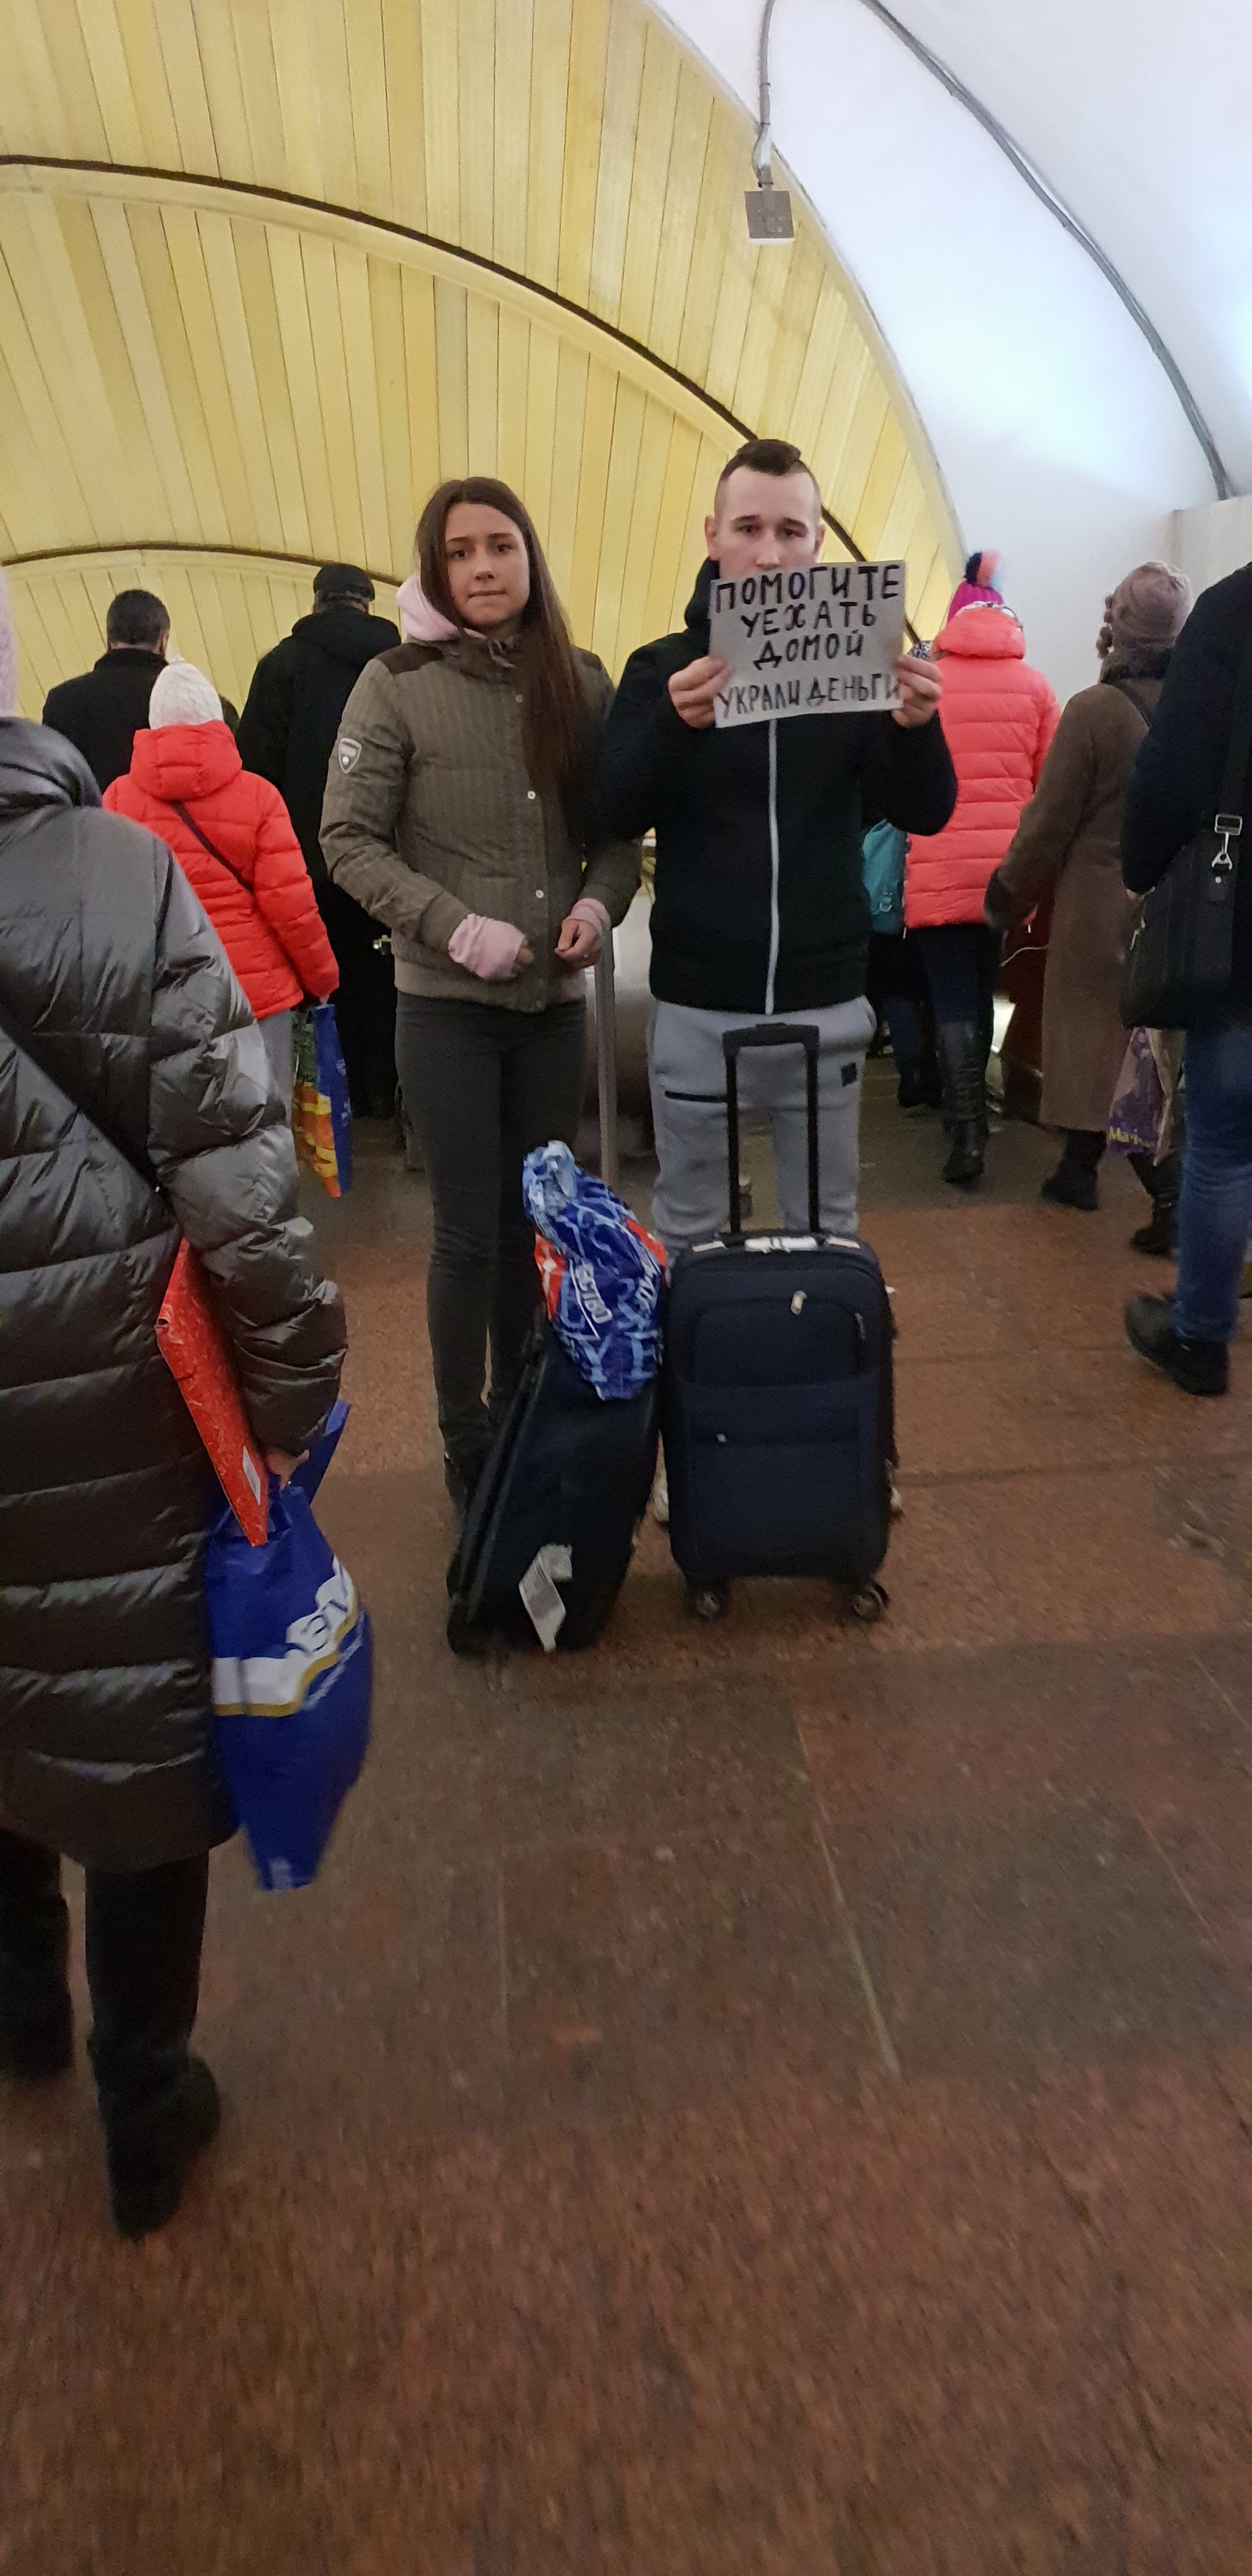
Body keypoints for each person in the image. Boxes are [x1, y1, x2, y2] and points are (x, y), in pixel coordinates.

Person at [0, 571, 346, 2239]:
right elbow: (240, 1178)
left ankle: (17, 2012)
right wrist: (294, 1390)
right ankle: (147, 2103)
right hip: (103, 1381)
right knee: (125, 1726)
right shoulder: (112, 871)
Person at [320, 477, 639, 1510]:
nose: (485, 567)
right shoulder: (393, 684)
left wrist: (596, 908)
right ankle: (466, 1434)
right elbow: (346, 838)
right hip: (444, 1010)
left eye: (502, 545)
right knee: (469, 1229)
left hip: (551, 1013)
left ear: (530, 558)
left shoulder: (580, 682)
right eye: (461, 552)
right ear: (437, 571)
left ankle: (524, 1403)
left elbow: (613, 843)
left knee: (534, 1222)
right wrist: (453, 923)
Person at [590, 437, 955, 1259]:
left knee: (825, 1233)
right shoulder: (663, 668)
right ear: (711, 533)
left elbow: (925, 811)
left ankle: (816, 1382)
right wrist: (669, 730)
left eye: (790, 531)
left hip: (825, 995)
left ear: (818, 542)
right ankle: (698, 1382)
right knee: (689, 1231)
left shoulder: (859, 664)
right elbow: (613, 806)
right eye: (748, 527)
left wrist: (919, 731)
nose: (768, 551)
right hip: (694, 1000)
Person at [985, 563, 1191, 1214]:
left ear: (1117, 628)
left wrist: (1008, 890)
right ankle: (1100, 1167)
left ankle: (1140, 1183)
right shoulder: (1198, 709)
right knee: (1151, 1041)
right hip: (1175, 903)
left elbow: (1048, 822)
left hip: (1097, 906)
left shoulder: (1093, 711)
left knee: (1089, 1035)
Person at [1122, 557, 1252, 1397]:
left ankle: (1199, 1337)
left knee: (1223, 1141)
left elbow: (1171, 764)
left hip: (1241, 925)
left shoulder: (1233, 610)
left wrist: (1141, 866)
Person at [104, 659, 339, 1108]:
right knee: (264, 1132)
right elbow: (291, 905)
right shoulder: (259, 796)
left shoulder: (117, 799)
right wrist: (322, 976)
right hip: (257, 999)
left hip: (165, 999)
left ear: (153, 723)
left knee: (180, 1138)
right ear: (215, 720)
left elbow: (110, 909)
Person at [905, 600, 1060, 1184]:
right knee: (981, 987)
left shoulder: (930, 681)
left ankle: (965, 1131)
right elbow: (1051, 783)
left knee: (950, 997)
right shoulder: (1037, 688)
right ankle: (974, 1119)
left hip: (940, 858)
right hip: (1005, 870)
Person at [237, 564, 401, 1118]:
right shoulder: (398, 667)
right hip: (389, 860)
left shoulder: (280, 667)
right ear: (367, 605)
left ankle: (332, 1100)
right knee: (386, 975)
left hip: (308, 862)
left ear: (317, 603)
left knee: (322, 978)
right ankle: (390, 1090)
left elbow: (255, 773)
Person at [41, 587, 171, 791]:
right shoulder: (187, 702)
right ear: (163, 642)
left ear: (109, 641)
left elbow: (52, 791)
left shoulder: (62, 701)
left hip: (87, 822)